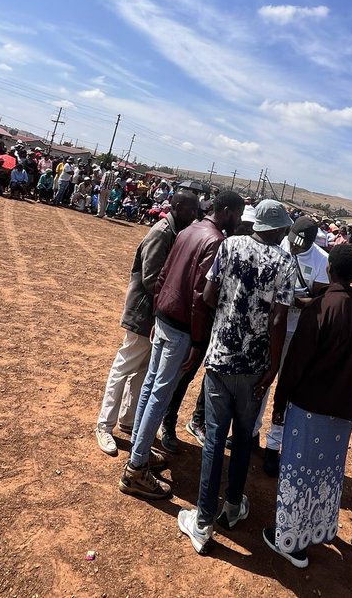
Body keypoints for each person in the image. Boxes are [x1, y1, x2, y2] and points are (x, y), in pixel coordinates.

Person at [177, 199, 297, 556]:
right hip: (255, 367)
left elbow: (209, 294)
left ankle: (202, 521)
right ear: (274, 229)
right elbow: (278, 319)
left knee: (214, 438)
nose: (285, 233)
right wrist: (273, 364)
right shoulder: (284, 262)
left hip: (219, 359)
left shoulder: (229, 246)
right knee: (243, 436)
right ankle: (232, 504)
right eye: (283, 228)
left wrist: (230, 317)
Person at [118, 191, 245, 501]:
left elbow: (163, 275)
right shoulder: (215, 241)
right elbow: (201, 298)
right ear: (226, 211)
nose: (240, 221)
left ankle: (140, 449)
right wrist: (198, 340)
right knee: (160, 394)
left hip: (164, 319)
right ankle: (135, 469)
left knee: (151, 386)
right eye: (238, 214)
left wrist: (159, 311)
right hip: (181, 329)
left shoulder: (190, 229)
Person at [263, 245, 352, 568]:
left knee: (298, 472)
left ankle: (289, 542)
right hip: (343, 410)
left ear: (329, 269)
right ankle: (318, 529)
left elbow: (296, 363)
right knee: (327, 473)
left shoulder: (321, 308)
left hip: (309, 405)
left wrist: (278, 403)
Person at [96, 191, 199, 456]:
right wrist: (176, 301)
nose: (194, 214)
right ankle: (104, 425)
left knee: (142, 370)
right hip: (144, 312)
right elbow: (151, 279)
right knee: (125, 365)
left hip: (155, 314)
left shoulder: (175, 231)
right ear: (176, 207)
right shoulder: (162, 232)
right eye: (190, 209)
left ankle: (128, 421)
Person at [258, 215, 330, 477]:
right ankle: (251, 433)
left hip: (297, 333)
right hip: (271, 327)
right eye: (293, 244)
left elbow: (321, 300)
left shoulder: (321, 260)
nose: (295, 249)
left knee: (285, 389)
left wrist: (299, 302)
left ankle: (273, 446)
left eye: (301, 246)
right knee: (262, 381)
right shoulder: (282, 246)